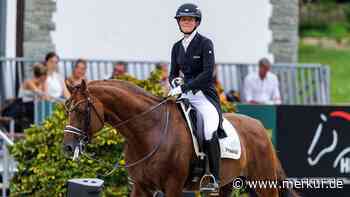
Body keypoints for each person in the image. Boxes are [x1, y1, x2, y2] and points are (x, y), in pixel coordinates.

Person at [168, 3, 222, 192]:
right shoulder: (176, 47)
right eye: (183, 19)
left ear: (196, 22)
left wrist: (186, 86)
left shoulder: (205, 43)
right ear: (179, 23)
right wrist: (174, 83)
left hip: (203, 95)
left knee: (209, 129)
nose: (186, 22)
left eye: (190, 19)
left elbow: (208, 73)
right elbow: (172, 72)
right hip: (183, 95)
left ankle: (214, 178)